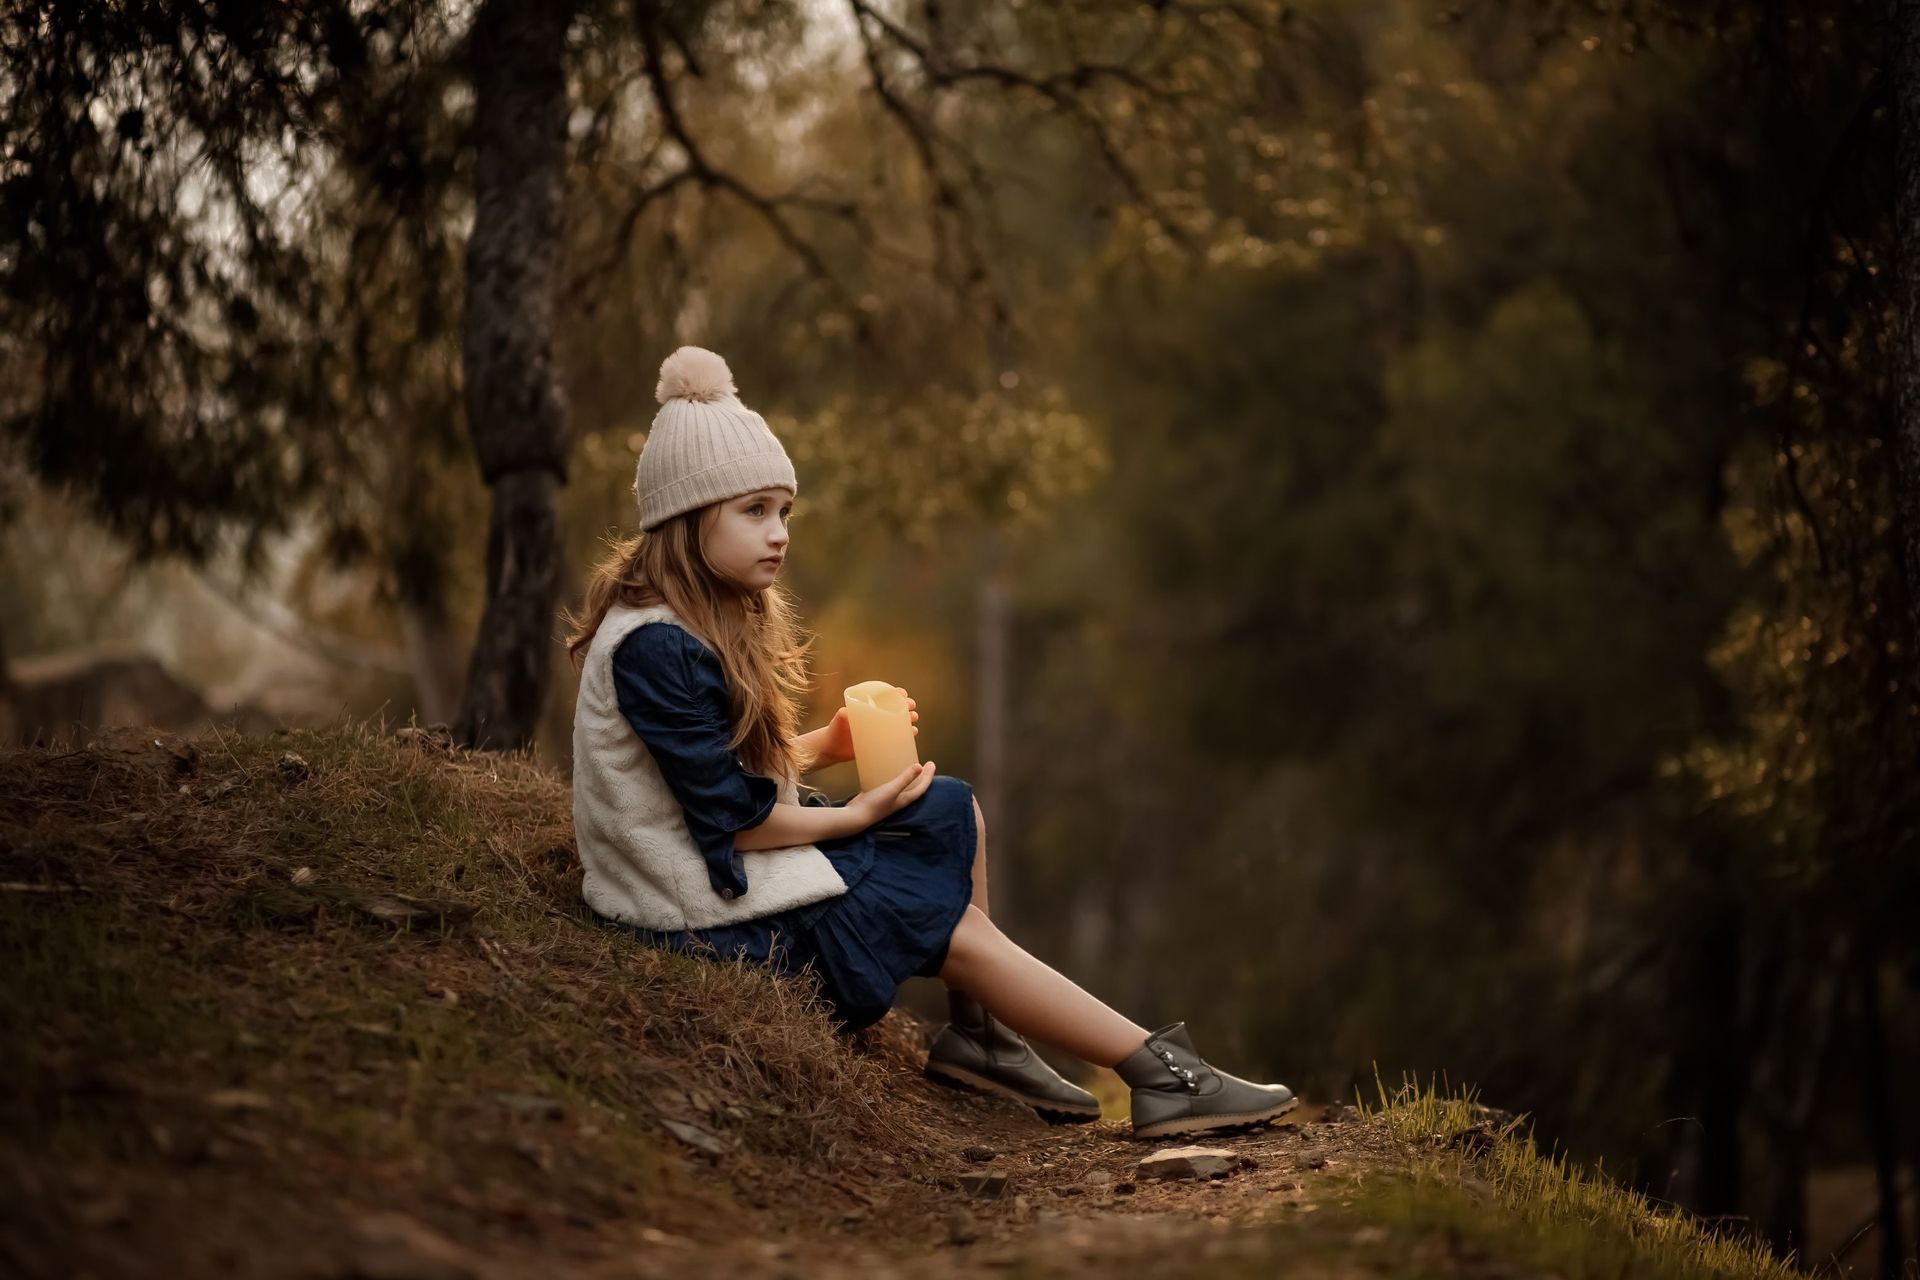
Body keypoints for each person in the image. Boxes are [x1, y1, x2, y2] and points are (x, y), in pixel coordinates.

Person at [564, 345, 1299, 1140]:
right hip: (701, 923)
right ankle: (1160, 1075)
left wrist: (829, 745)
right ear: (685, 516)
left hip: (721, 881)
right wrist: (855, 814)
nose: (779, 535)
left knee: (946, 808)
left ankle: (980, 1036)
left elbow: (703, 773)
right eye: (754, 511)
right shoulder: (654, 646)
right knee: (942, 919)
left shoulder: (691, 624)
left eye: (784, 512)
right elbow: (733, 820)